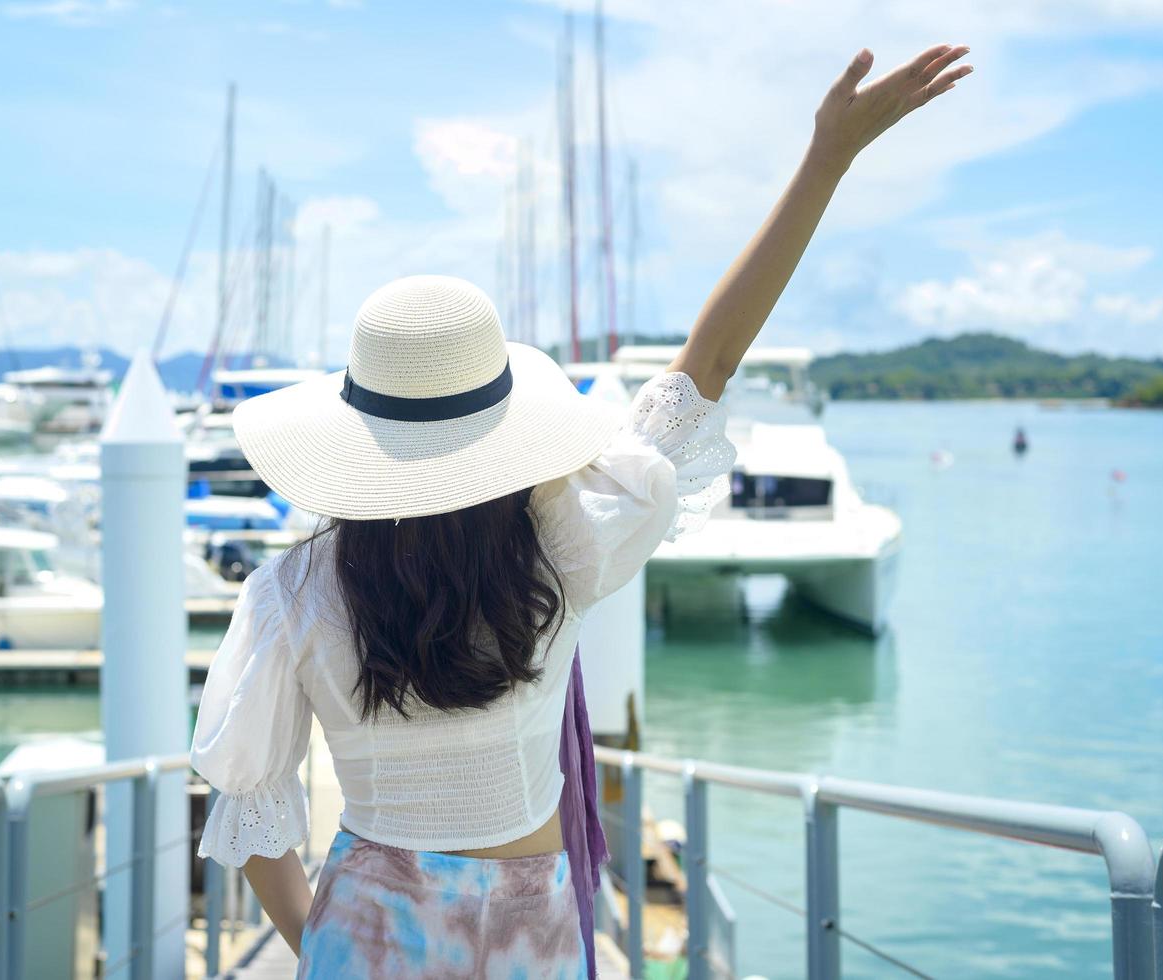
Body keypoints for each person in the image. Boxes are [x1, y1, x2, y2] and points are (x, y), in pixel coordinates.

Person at [191, 43, 972, 978]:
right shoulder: (560, 543)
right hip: (536, 925)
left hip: (366, 926)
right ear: (499, 419)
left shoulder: (293, 590)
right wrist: (825, 159)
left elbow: (252, 809)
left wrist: (325, 944)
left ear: (359, 431)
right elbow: (708, 365)